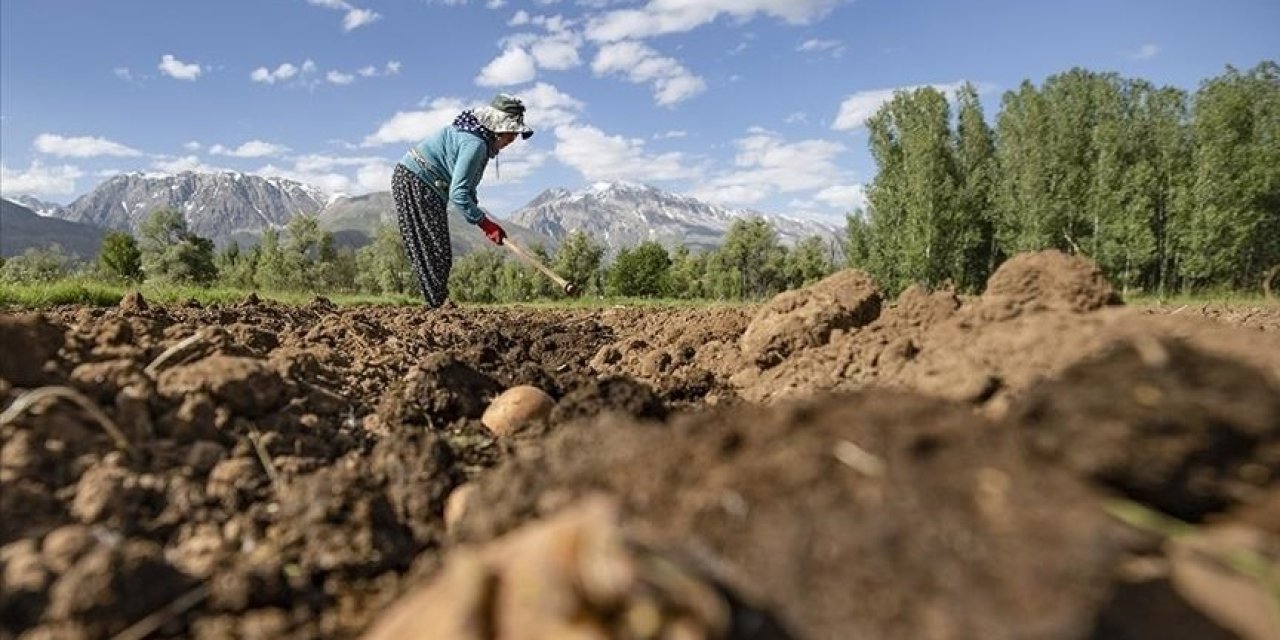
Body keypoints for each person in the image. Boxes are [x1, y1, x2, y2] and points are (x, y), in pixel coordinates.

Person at [391, 93, 533, 307]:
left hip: (424, 182)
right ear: (497, 128)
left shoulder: (479, 140)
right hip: (417, 180)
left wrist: (482, 219)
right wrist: (485, 223)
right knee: (435, 251)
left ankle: (436, 305)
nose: (512, 139)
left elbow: (467, 187)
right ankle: (436, 307)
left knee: (438, 252)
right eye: (510, 133)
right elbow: (458, 194)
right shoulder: (475, 144)